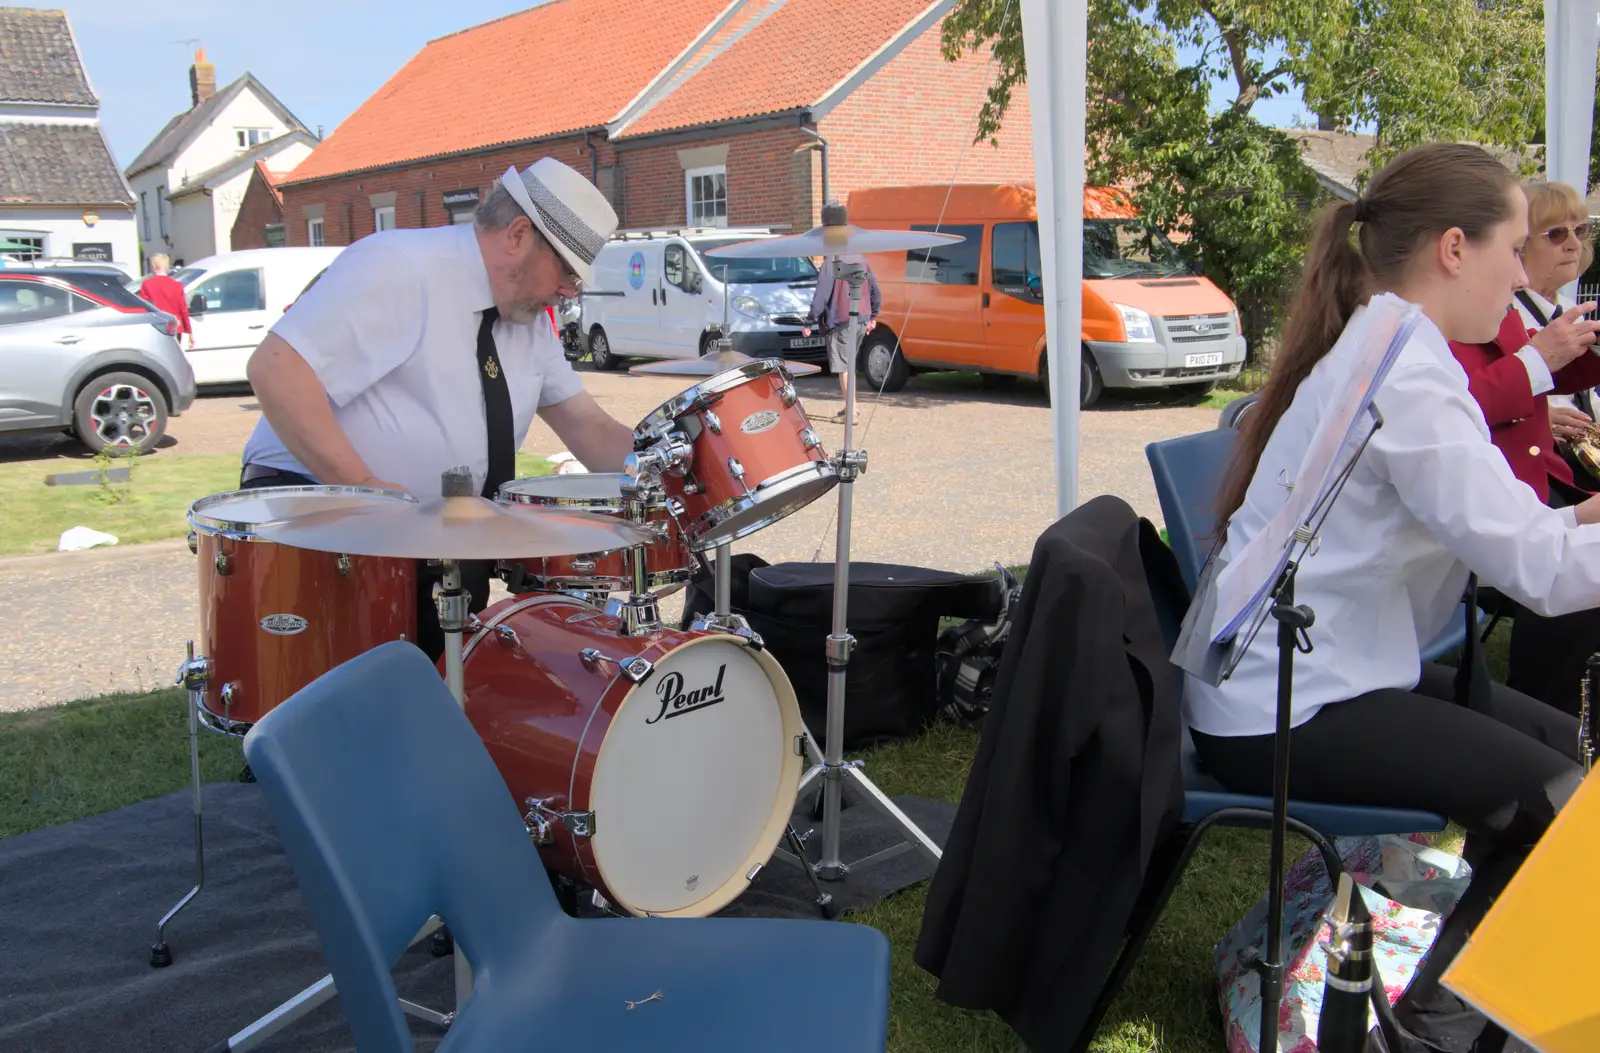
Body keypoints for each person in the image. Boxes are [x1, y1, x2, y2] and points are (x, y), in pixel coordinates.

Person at [1193, 143, 1594, 1052]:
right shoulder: (1411, 372)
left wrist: (1582, 523)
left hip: (1314, 675)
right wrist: (1572, 535)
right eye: (1517, 245)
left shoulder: (1390, 342)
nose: (1524, 271)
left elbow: (1506, 535)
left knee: (1569, 762)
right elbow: (1534, 574)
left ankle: (1486, 1005)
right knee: (1563, 804)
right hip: (1283, 706)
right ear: (1455, 248)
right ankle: (1429, 1036)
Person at [239, 157, 635, 661]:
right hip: (324, 520)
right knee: (360, 709)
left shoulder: (528, 321)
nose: (567, 292)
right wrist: (365, 488)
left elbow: (588, 426)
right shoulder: (398, 267)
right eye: (566, 272)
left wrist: (674, 480)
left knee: (447, 689)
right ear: (517, 236)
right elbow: (276, 370)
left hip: (434, 536)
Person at [1512, 181, 1597, 445]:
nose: (1574, 244)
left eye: (1580, 230)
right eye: (1557, 233)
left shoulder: (1571, 310)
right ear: (1519, 244)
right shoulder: (1501, 316)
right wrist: (1536, 418)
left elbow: (1589, 402)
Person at [806, 249, 881, 425]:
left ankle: (851, 413)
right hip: (861, 319)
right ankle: (852, 407)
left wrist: (809, 321)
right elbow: (875, 292)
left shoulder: (830, 262)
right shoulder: (862, 260)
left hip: (841, 320)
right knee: (850, 364)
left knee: (844, 367)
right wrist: (873, 316)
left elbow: (820, 298)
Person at [138, 253, 193, 348]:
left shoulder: (147, 284)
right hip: (176, 327)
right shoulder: (177, 286)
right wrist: (189, 332)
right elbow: (183, 310)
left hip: (157, 327)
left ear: (153, 266)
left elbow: (143, 308)